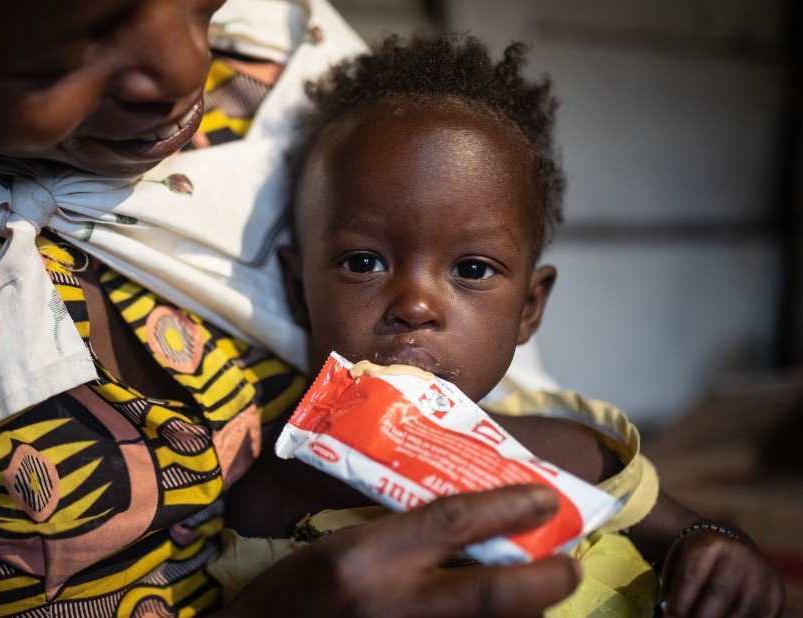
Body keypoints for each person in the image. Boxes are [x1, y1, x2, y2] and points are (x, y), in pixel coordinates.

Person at [0, 0, 588, 615]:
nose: (184, 67)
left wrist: (694, 535)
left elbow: (503, 387)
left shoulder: (288, 65)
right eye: (77, 40)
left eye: (194, 1)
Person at [218, 32, 786, 617]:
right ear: (297, 290)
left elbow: (702, 537)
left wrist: (721, 558)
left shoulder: (568, 453)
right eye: (363, 262)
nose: (416, 305)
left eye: (470, 269)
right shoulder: (277, 487)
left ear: (529, 308)